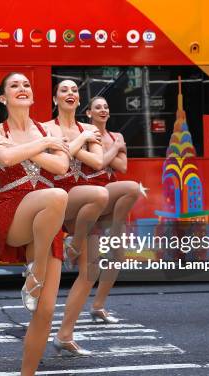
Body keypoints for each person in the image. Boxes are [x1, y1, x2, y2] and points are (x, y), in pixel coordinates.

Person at [0, 72, 70, 375]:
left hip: (48, 220)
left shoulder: (46, 128)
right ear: (3, 98)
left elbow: (62, 165)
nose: (22, 88)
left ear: (32, 96)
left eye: (27, 85)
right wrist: (44, 143)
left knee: (45, 312)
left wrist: (34, 143)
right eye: (14, 85)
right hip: (13, 209)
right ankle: (36, 272)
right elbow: (5, 159)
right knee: (57, 194)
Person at [43, 80, 109, 356]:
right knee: (47, 280)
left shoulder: (91, 128)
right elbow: (57, 164)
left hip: (84, 205)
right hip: (56, 198)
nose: (70, 93)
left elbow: (98, 162)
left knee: (90, 271)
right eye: (64, 90)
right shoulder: (45, 128)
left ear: (79, 99)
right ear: (55, 99)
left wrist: (71, 144)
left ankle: (65, 334)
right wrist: (80, 142)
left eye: (74, 90)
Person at [86, 96, 141, 324]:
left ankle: (98, 306)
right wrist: (115, 149)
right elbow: (97, 164)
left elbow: (123, 166)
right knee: (90, 262)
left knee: (117, 255)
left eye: (106, 107)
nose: (103, 110)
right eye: (98, 107)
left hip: (109, 192)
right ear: (88, 113)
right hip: (90, 193)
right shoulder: (85, 133)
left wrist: (111, 149)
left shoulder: (115, 136)